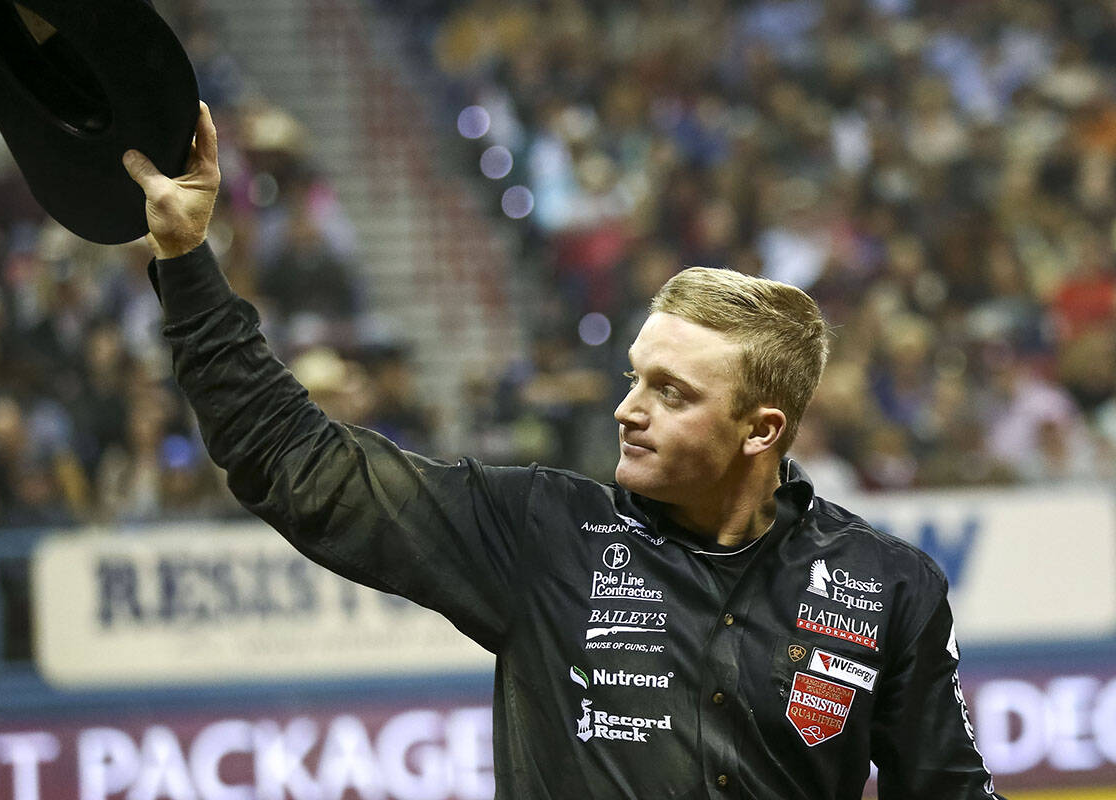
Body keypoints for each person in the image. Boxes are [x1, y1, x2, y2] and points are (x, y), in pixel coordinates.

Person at [121, 103, 1003, 800]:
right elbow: (294, 463)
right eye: (634, 377)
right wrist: (189, 258)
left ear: (761, 430)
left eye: (672, 392)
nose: (627, 410)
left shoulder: (889, 586)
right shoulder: (544, 532)